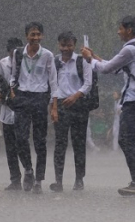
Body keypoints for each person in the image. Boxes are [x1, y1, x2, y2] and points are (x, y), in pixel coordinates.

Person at [81, 15, 135, 196]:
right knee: (131, 141)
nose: (118, 31)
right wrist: (94, 57)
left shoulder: (130, 49)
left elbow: (106, 69)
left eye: (120, 28)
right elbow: (114, 67)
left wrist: (89, 60)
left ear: (129, 30)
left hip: (133, 101)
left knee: (126, 140)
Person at [9, 22, 57, 194]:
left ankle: (39, 179)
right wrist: (12, 91)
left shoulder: (48, 55)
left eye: (38, 34)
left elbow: (53, 81)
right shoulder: (18, 53)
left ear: (42, 36)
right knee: (20, 138)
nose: (35, 37)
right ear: (26, 36)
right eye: (32, 34)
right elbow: (13, 75)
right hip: (22, 97)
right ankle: (28, 169)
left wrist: (54, 106)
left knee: (40, 141)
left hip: (39, 99)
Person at [49, 31, 93, 192]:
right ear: (58, 45)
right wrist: (53, 107)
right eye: (63, 45)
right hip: (60, 105)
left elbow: (88, 83)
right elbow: (52, 86)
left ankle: (79, 179)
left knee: (79, 144)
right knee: (60, 144)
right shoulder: (54, 62)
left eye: (69, 45)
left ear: (74, 45)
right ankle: (58, 181)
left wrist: (75, 96)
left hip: (79, 105)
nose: (65, 48)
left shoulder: (82, 61)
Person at [0, 37, 24, 191]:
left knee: (22, 145)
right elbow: (0, 83)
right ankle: (15, 179)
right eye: (13, 53)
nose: (16, 56)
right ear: (8, 52)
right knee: (10, 148)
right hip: (7, 111)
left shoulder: (26, 62)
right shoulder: (2, 63)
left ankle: (28, 174)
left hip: (22, 111)